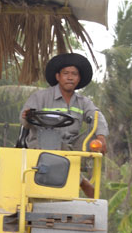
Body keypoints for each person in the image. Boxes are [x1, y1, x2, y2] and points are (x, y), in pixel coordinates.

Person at [19, 52, 109, 197]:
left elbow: (97, 116)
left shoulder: (83, 102)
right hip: (42, 143)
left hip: (70, 145)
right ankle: (82, 182)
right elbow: (24, 121)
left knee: (94, 139)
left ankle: (80, 174)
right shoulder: (40, 97)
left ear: (78, 79)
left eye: (74, 74)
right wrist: (27, 116)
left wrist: (101, 137)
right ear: (58, 77)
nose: (70, 77)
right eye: (66, 73)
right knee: (51, 137)